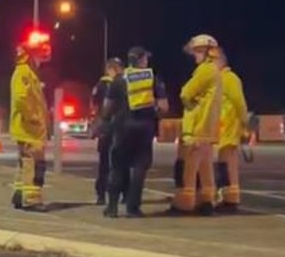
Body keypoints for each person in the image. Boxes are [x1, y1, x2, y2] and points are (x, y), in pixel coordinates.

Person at [101, 46, 169, 217]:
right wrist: (154, 115)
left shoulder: (119, 80)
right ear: (142, 60)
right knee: (140, 168)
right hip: (145, 129)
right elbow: (163, 107)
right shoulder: (153, 78)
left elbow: (107, 108)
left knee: (117, 166)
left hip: (123, 128)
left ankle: (112, 207)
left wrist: (106, 121)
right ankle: (133, 208)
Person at [173, 33, 224, 215]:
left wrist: (190, 106)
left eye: (198, 51)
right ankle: (206, 203)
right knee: (206, 169)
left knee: (189, 168)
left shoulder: (205, 70)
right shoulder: (215, 71)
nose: (195, 55)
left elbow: (185, 93)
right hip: (208, 128)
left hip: (197, 127)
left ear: (207, 52)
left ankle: (184, 204)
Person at [9, 32, 51, 211]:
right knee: (33, 166)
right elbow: (21, 99)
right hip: (28, 129)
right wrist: (32, 118)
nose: (41, 58)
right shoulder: (23, 73)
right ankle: (31, 200)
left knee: (25, 164)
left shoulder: (28, 73)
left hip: (29, 129)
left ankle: (19, 196)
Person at [214, 49, 249, 211]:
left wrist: (244, 123)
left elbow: (239, 103)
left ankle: (231, 199)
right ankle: (226, 196)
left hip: (229, 128)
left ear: (221, 61)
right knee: (223, 164)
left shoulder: (230, 78)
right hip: (221, 129)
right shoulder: (219, 79)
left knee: (228, 164)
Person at [90, 57, 124, 205]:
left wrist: (96, 124)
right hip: (117, 126)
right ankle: (119, 194)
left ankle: (102, 195)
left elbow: (95, 106)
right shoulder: (119, 83)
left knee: (105, 162)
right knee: (118, 162)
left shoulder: (101, 85)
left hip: (107, 126)